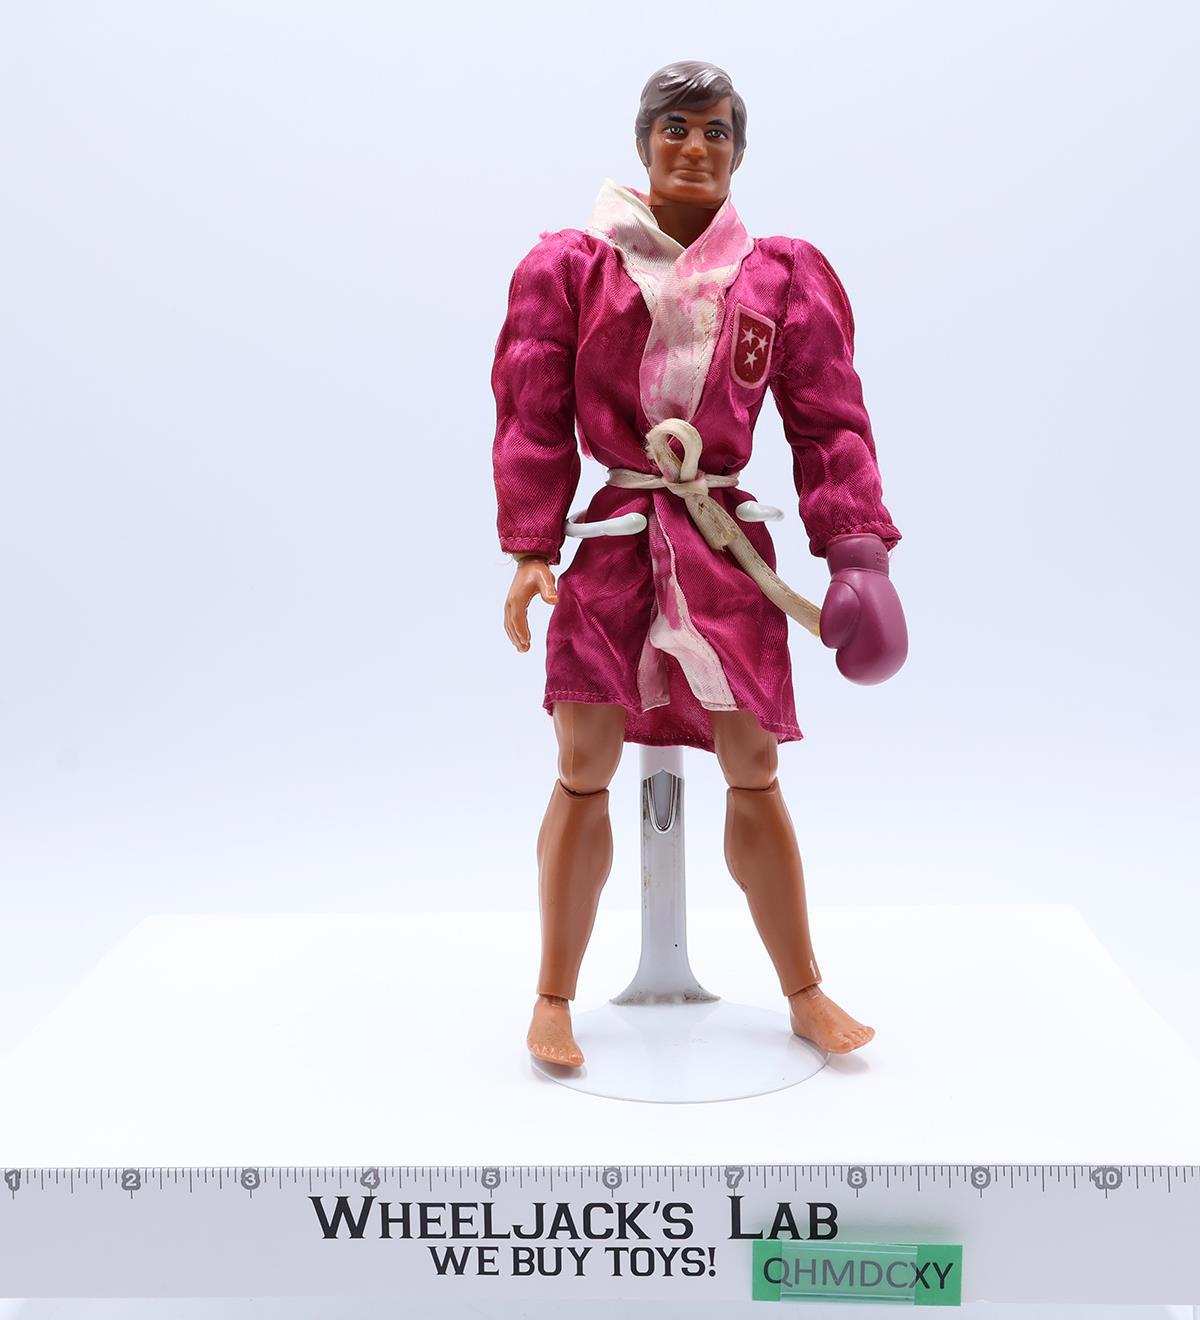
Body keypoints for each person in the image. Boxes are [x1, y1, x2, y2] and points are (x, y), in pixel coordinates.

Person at [492, 61, 907, 1069]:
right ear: (644, 141)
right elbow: (531, 413)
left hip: (723, 544)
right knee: (582, 767)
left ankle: (803, 990)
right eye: (676, 127)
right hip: (614, 542)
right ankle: (552, 997)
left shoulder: (778, 276)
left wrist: (857, 553)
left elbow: (829, 421)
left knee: (753, 766)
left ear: (738, 151)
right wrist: (533, 547)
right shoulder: (572, 267)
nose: (694, 147)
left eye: (716, 131)